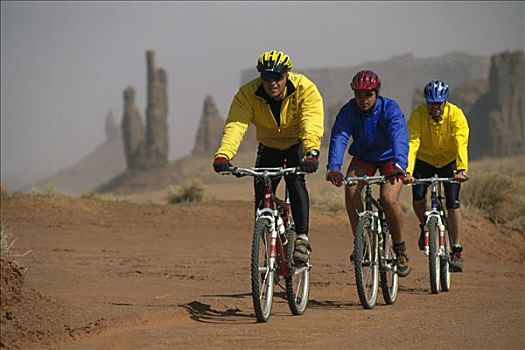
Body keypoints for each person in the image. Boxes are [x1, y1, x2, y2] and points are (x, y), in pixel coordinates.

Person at [212, 50, 324, 265]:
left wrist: (311, 151)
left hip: (296, 145)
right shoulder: (247, 94)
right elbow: (236, 124)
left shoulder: (304, 88)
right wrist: (223, 155)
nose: (272, 83)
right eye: (266, 78)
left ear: (287, 75)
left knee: (295, 180)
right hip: (269, 146)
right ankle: (269, 236)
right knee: (262, 191)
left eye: (277, 77)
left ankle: (301, 239)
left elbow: (312, 121)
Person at [325, 69, 412, 277]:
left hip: (391, 158)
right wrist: (334, 168)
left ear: (377, 93)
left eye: (368, 94)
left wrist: (400, 164)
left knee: (388, 198)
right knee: (351, 187)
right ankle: (361, 243)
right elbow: (339, 137)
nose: (363, 100)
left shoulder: (390, 109)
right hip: (364, 157)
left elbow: (399, 135)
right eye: (358, 95)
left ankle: (400, 249)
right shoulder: (348, 111)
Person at [406, 79, 470, 272]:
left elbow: (461, 141)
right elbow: (412, 143)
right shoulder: (418, 116)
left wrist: (461, 169)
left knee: (453, 202)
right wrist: (408, 171)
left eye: (439, 103)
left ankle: (456, 250)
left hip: (449, 161)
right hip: (424, 160)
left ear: (445, 101)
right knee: (417, 196)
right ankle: (425, 225)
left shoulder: (456, 115)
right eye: (431, 103)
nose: (435, 107)